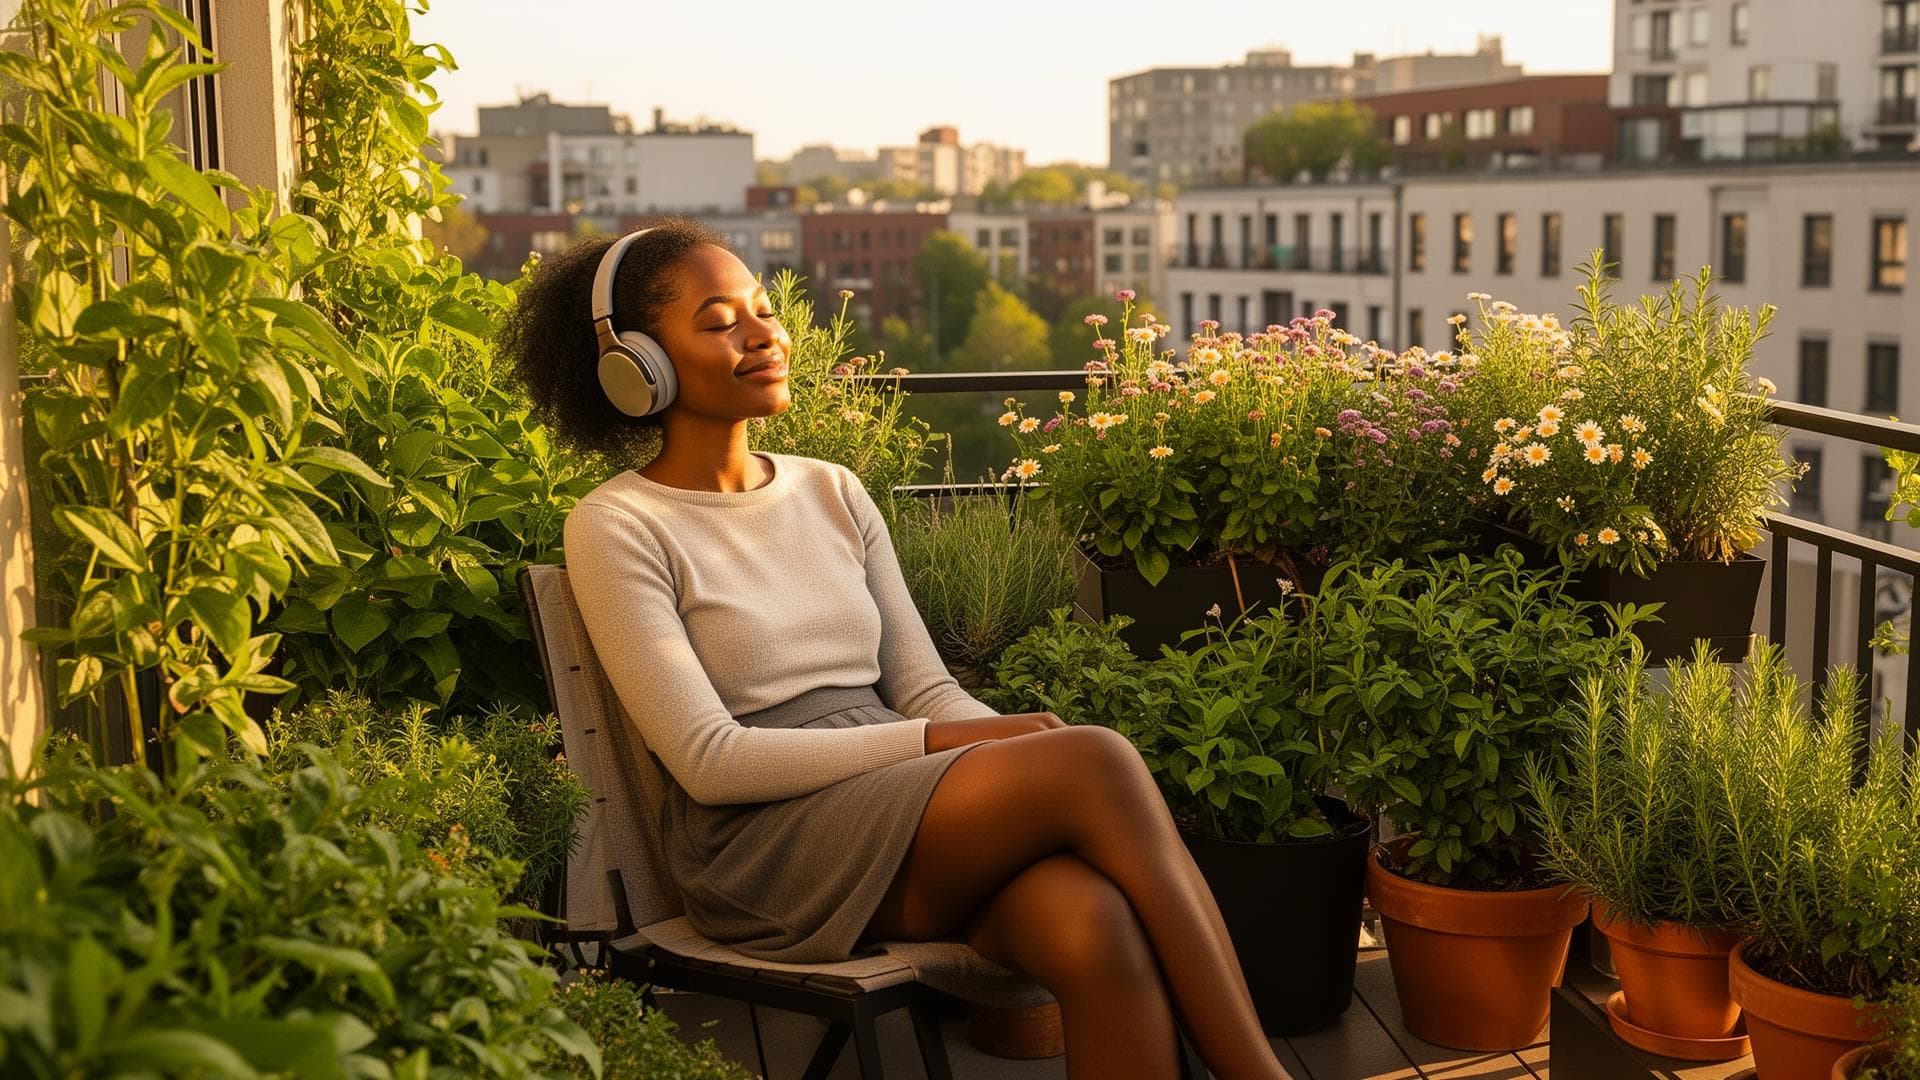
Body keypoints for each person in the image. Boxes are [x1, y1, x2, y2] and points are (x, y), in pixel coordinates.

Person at [500, 218, 1292, 1080]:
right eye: (721, 322)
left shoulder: (832, 489)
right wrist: (956, 745)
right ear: (638, 366)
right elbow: (711, 763)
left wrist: (996, 752)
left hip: (899, 806)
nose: (764, 335)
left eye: (764, 310)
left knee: (1090, 924)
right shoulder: (618, 523)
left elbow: (925, 688)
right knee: (1094, 759)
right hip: (761, 847)